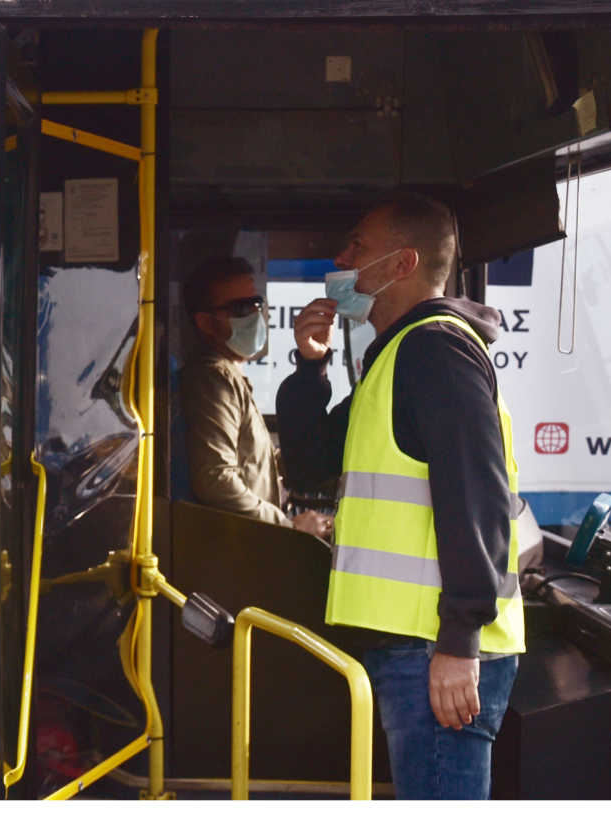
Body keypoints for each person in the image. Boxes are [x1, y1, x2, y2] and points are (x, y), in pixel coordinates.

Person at [276, 192, 524, 800]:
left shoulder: (434, 349)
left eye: (357, 246)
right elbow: (311, 459)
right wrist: (312, 369)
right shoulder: (395, 356)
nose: (341, 258)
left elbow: (477, 494)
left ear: (402, 263)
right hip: (414, 646)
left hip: (436, 651)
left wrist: (459, 642)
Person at [180, 256, 330, 537]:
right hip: (244, 544)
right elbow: (216, 479)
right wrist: (288, 526)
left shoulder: (232, 374)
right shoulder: (214, 378)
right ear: (206, 323)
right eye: (239, 308)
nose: (253, 315)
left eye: (256, 304)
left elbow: (249, 457)